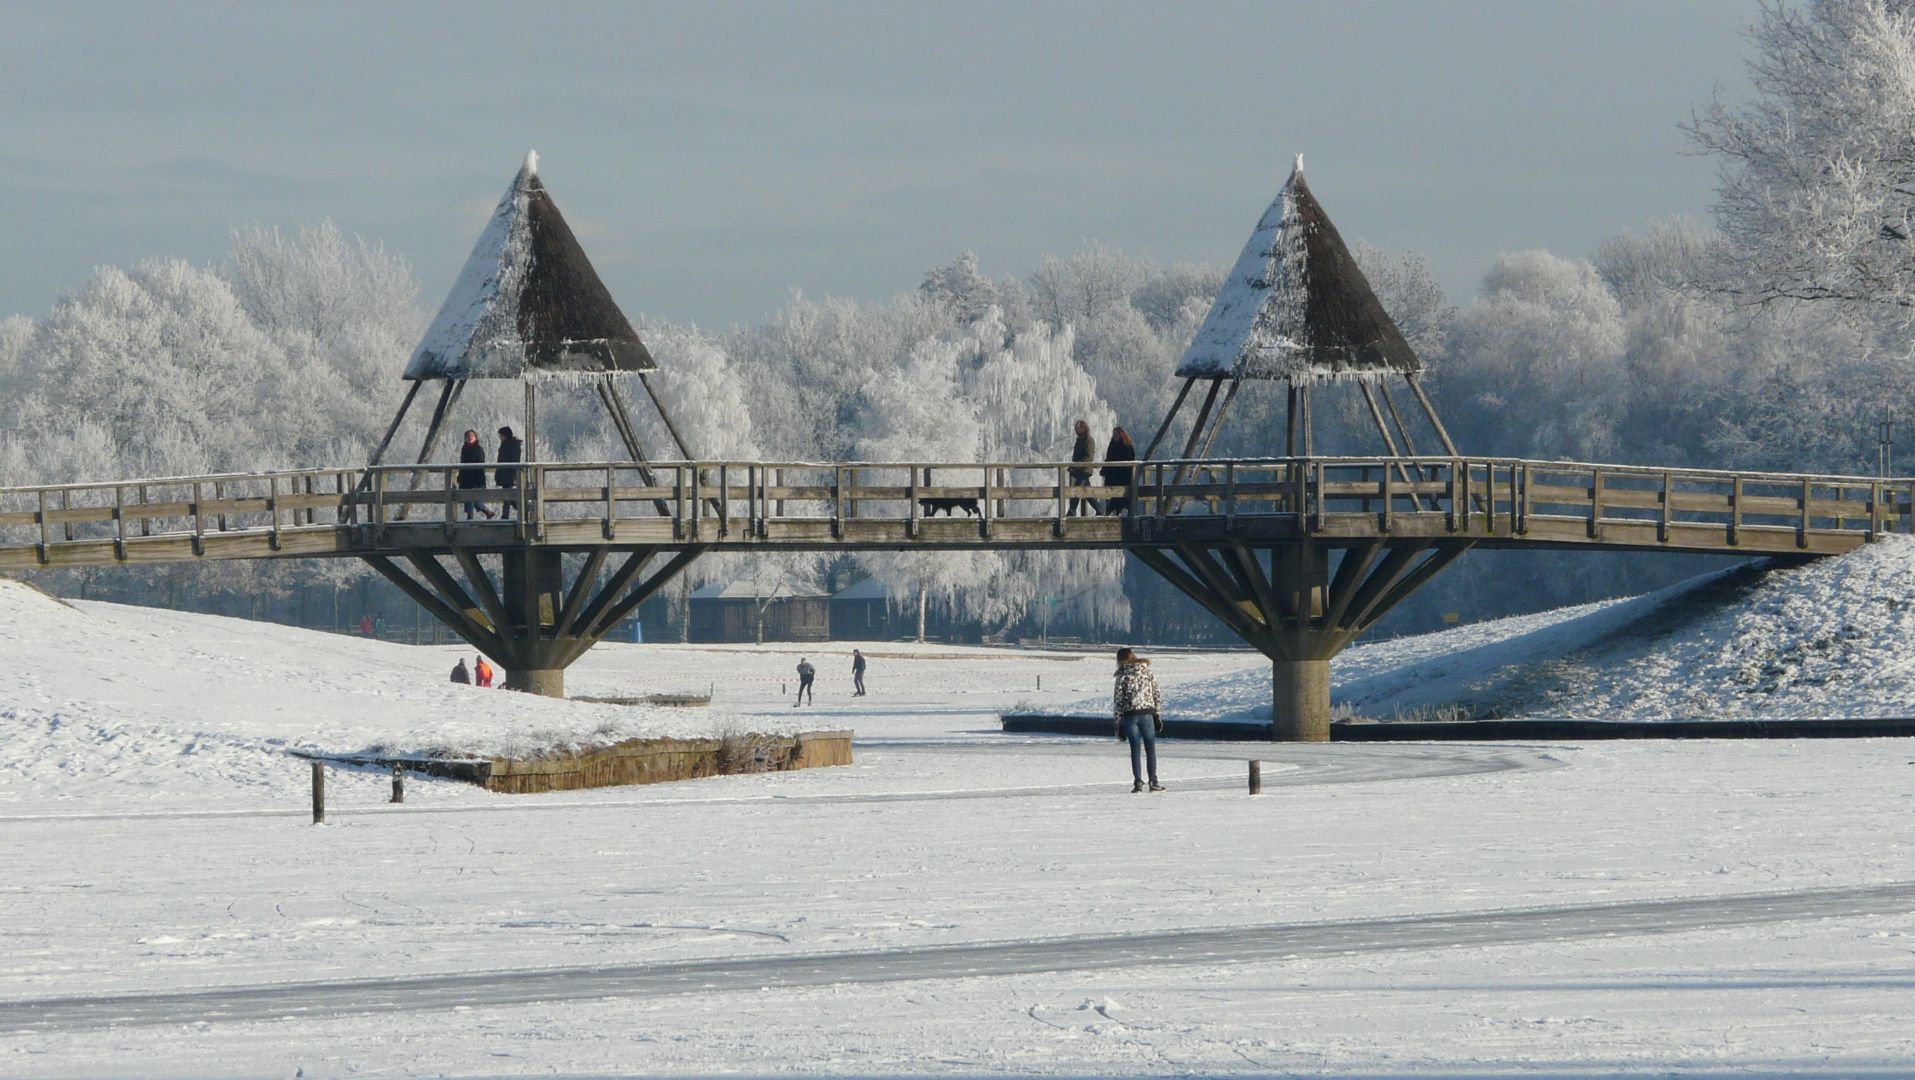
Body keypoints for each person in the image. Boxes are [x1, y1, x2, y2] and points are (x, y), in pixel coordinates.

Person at [1112, 647, 1165, 793]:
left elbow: (1118, 701)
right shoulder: (1147, 672)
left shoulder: (1122, 676)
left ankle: (1138, 783)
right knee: (1150, 748)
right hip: (1147, 714)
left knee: (1135, 749)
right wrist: (1157, 715)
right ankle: (1153, 782)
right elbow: (1157, 694)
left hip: (1130, 715)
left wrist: (1118, 723)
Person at [457, 429, 493, 520]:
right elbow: (462, 463)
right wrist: (460, 476)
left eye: (471, 435)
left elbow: (481, 464)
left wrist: (479, 479)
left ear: (475, 438)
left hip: (475, 478)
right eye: (467, 436)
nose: (469, 437)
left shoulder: (479, 449)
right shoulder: (464, 449)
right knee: (469, 497)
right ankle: (487, 512)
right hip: (465, 478)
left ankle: (470, 518)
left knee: (471, 497)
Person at [1101, 426, 1137, 516]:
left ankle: (1117, 511)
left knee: (1121, 496)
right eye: (1113, 434)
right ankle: (1116, 511)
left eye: (1116, 434)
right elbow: (1109, 458)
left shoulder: (1127, 446)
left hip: (1123, 475)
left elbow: (1130, 459)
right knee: (1115, 495)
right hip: (1113, 475)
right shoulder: (1112, 445)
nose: (1114, 436)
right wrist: (1104, 469)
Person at [1068, 419, 1101, 516]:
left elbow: (1088, 457)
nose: (1076, 430)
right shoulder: (1080, 440)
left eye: (1078, 428)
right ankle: (1099, 510)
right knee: (1087, 492)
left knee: (1077, 489)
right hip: (1079, 471)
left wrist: (1076, 466)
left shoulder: (1088, 440)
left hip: (1084, 471)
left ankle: (1072, 511)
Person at [496, 426, 523, 520]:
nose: (500, 437)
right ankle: (522, 509)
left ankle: (505, 515)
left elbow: (513, 460)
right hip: (505, 474)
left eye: (501, 435)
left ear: (506, 435)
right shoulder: (506, 445)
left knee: (507, 496)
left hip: (509, 474)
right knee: (508, 495)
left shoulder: (512, 446)